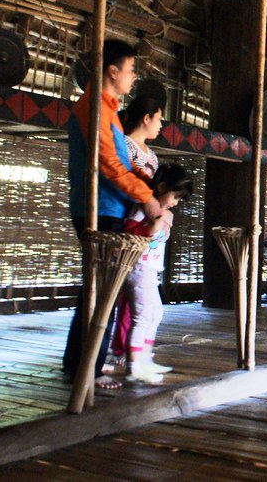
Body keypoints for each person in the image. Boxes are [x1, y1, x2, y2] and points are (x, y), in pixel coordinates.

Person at [63, 39, 162, 390]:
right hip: (99, 208)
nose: (134, 77)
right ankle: (85, 369)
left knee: (98, 287)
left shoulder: (108, 110)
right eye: (131, 70)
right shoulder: (94, 109)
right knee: (100, 290)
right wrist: (148, 198)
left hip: (109, 206)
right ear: (113, 70)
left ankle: (80, 362)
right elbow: (108, 165)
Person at [108, 95, 165, 372]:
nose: (161, 125)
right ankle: (118, 348)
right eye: (159, 119)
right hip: (126, 222)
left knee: (136, 298)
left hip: (144, 226)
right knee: (120, 292)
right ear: (147, 117)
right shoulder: (126, 147)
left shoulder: (152, 156)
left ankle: (133, 350)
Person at [123, 163, 193, 384]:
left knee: (155, 314)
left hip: (150, 269)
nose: (175, 202)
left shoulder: (163, 214)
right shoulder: (141, 209)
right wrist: (152, 227)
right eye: (175, 196)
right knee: (142, 316)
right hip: (138, 267)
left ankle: (145, 359)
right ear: (161, 187)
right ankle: (133, 366)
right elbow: (130, 233)